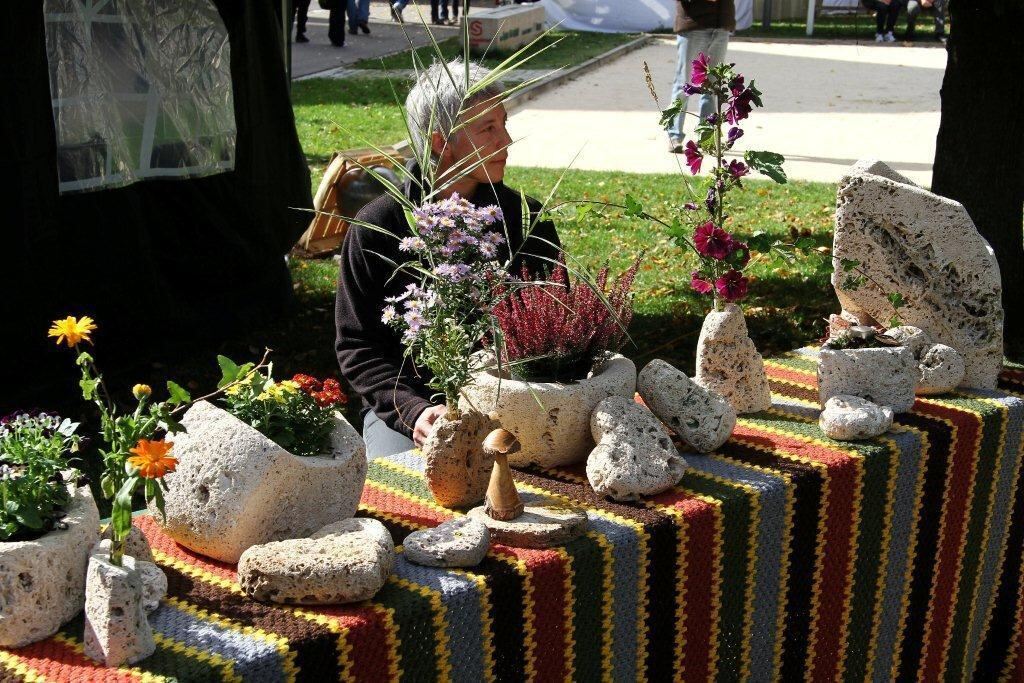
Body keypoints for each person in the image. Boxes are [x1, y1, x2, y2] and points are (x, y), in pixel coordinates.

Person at [335, 60, 562, 458]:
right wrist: (413, 410)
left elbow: (556, 323)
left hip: (516, 404)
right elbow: (358, 346)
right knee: (404, 497)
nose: (505, 140)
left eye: (503, 123)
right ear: (441, 142)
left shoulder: (525, 219)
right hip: (412, 414)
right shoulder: (378, 226)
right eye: (487, 129)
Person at [665, 0, 735, 154]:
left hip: (721, 26)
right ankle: (674, 135)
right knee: (684, 84)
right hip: (693, 26)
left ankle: (706, 136)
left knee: (713, 85)